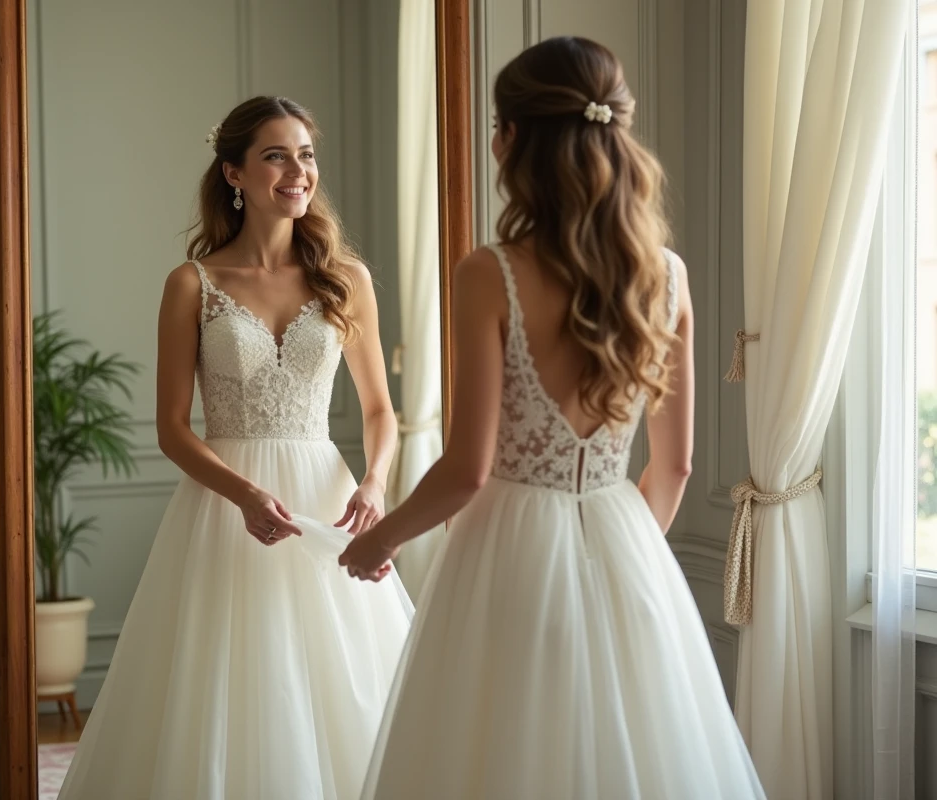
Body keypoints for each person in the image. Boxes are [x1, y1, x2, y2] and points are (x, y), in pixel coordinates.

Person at [340, 38, 766, 799]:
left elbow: (468, 470)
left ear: (516, 141)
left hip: (507, 552)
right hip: (624, 538)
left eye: (499, 128)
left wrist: (381, 537)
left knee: (503, 753)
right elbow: (675, 467)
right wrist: (616, 562)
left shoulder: (490, 273)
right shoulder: (666, 276)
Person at [58, 95, 413, 800]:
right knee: (227, 686)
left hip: (325, 500)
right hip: (226, 503)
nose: (297, 171)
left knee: (338, 686)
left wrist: (373, 486)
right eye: (276, 155)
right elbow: (172, 427)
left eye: (305, 154)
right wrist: (244, 493)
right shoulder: (193, 283)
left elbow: (381, 410)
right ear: (235, 173)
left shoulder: (347, 281)